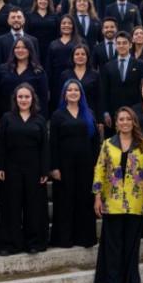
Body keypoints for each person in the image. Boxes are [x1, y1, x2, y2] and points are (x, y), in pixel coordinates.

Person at [93, 107, 143, 283]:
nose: (125, 122)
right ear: (116, 122)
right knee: (113, 244)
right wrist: (97, 196)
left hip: (136, 201)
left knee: (132, 243)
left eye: (128, 119)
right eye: (121, 119)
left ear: (134, 122)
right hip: (111, 202)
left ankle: (133, 281)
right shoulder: (107, 144)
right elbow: (99, 171)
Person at [0, 84, 50, 255]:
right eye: (20, 97)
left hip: (34, 168)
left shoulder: (40, 120)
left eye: (27, 97)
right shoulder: (7, 118)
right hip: (11, 167)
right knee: (11, 205)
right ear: (15, 99)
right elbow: (1, 145)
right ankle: (10, 244)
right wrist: (0, 167)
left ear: (32, 99)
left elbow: (45, 147)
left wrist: (44, 170)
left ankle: (34, 242)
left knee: (34, 206)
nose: (24, 100)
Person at [50, 79, 101, 249]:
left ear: (81, 94)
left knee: (85, 199)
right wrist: (54, 167)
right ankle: (64, 238)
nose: (73, 92)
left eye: (76, 90)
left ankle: (84, 237)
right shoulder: (58, 115)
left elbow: (95, 141)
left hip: (86, 164)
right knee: (65, 200)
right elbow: (53, 143)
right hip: (64, 165)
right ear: (64, 94)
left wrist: (96, 163)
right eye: (69, 90)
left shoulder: (89, 113)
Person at [0, 37, 49, 122]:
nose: (20, 50)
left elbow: (43, 98)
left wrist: (43, 118)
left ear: (30, 50)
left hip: (32, 118)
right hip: (6, 116)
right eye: (17, 48)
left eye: (24, 47)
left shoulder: (39, 71)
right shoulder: (2, 69)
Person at [100, 32, 143, 131]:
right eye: (119, 43)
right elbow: (104, 91)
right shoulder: (108, 66)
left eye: (124, 43)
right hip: (113, 112)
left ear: (130, 45)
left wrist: (141, 109)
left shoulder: (140, 64)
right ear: (115, 45)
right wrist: (105, 112)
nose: (121, 46)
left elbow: (142, 88)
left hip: (134, 109)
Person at [0, 7, 40, 82]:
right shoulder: (0, 40)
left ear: (24, 20)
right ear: (8, 21)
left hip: (28, 80)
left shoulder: (33, 40)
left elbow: (36, 62)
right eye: (13, 17)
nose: (16, 20)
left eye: (19, 17)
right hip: (7, 80)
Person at [59, 43, 102, 120]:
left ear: (87, 57)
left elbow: (99, 98)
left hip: (90, 114)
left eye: (83, 54)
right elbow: (61, 96)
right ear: (72, 57)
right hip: (69, 114)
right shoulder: (65, 75)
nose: (80, 56)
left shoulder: (95, 75)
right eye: (77, 54)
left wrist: (100, 120)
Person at [45, 15, 81, 101]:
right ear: (60, 26)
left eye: (69, 23)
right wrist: (48, 87)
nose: (66, 25)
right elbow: (48, 66)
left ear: (73, 26)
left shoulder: (80, 42)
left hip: (74, 78)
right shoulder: (53, 44)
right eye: (64, 23)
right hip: (56, 80)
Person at [25, 0, 58, 65]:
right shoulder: (29, 15)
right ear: (36, 1)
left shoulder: (55, 16)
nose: (43, 1)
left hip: (50, 49)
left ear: (49, 1)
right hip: (33, 49)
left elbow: (57, 34)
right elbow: (26, 34)